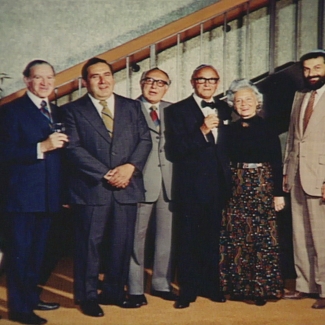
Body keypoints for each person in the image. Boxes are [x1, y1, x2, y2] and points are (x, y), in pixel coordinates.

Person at [62, 57, 152, 317]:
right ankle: (87, 297)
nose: (102, 80)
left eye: (107, 75)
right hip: (92, 188)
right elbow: (73, 148)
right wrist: (107, 174)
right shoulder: (72, 110)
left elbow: (144, 140)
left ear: (114, 77)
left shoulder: (132, 107)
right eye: (95, 76)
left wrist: (130, 168)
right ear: (85, 82)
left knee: (121, 243)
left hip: (127, 186)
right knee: (89, 245)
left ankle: (114, 292)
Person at [0, 60, 68, 325]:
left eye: (49, 78)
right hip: (22, 198)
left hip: (49, 196)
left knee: (39, 254)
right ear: (26, 80)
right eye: (38, 78)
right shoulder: (10, 111)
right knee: (21, 254)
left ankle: (30, 298)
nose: (45, 83)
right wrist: (41, 147)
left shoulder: (56, 111)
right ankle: (19, 310)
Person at [165, 64, 232, 309]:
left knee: (212, 239)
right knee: (188, 240)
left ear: (217, 82)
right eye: (202, 80)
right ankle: (188, 291)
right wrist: (202, 130)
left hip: (217, 185)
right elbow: (174, 151)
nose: (207, 84)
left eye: (212, 80)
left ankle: (211, 286)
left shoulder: (225, 107)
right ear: (193, 82)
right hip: (191, 187)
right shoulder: (177, 110)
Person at [219, 78, 285, 307]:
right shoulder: (228, 130)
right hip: (235, 183)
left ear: (257, 102)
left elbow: (277, 162)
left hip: (262, 183)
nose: (244, 104)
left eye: (248, 99)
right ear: (232, 104)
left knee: (261, 236)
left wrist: (278, 193)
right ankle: (238, 287)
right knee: (237, 235)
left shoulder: (268, 127)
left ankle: (260, 289)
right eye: (238, 100)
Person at [128, 68, 177, 306]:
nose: (154, 86)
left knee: (166, 237)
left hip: (169, 182)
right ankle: (135, 288)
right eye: (150, 81)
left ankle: (161, 284)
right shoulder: (128, 109)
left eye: (161, 83)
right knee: (136, 237)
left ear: (167, 87)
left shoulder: (174, 110)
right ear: (141, 83)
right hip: (139, 182)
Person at [283, 49, 325, 309]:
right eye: (307, 69)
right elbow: (292, 137)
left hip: (320, 176)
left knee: (322, 236)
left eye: (317, 68)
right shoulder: (299, 96)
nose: (311, 74)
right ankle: (304, 285)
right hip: (297, 174)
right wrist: (287, 170)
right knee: (300, 233)